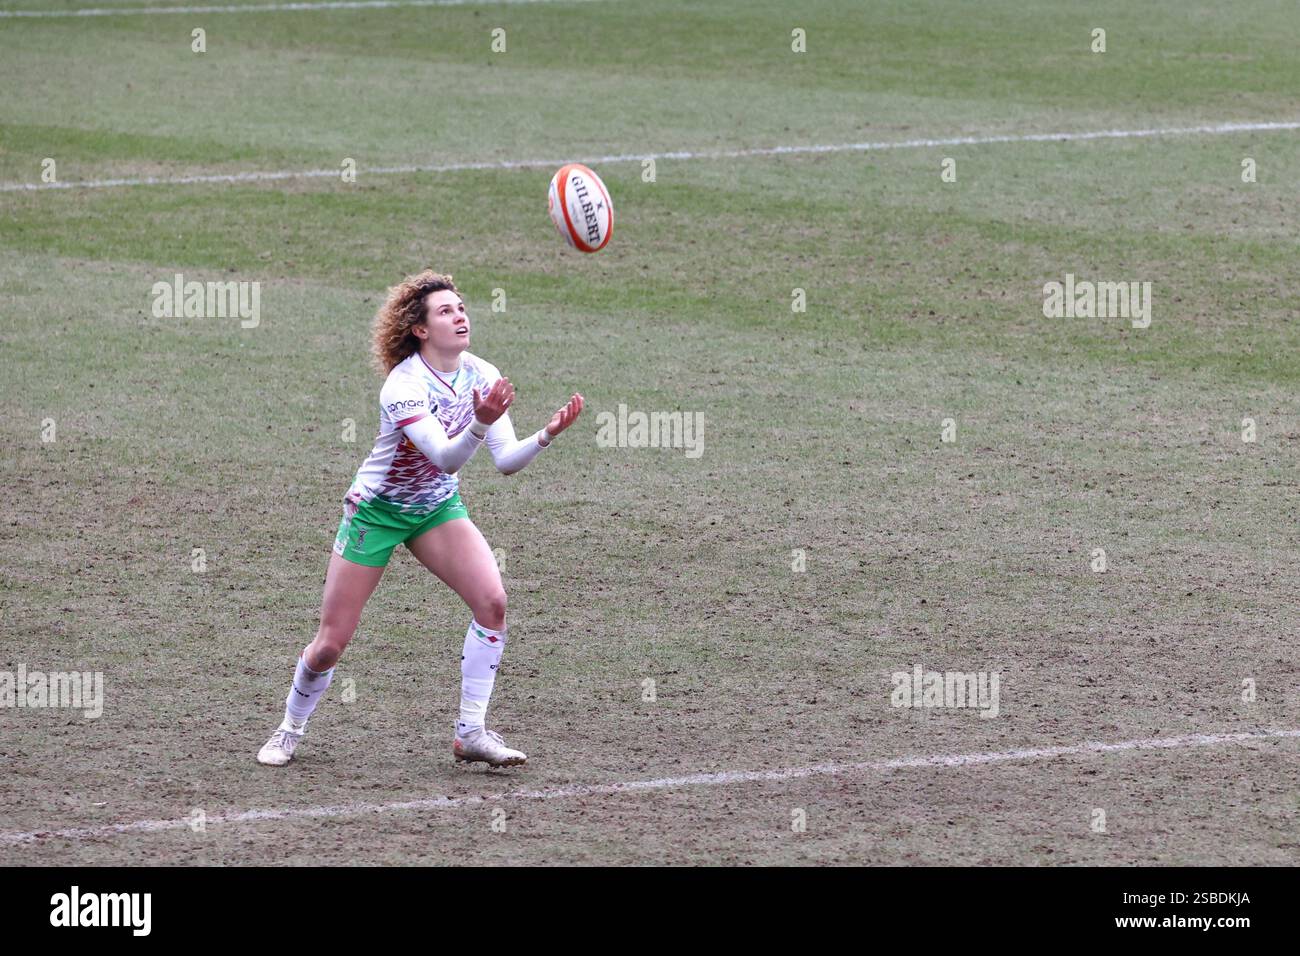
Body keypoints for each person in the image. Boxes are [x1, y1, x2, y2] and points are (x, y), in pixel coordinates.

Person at [257, 270, 583, 768]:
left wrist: (545, 435)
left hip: (435, 508)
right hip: (378, 511)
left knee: (492, 603)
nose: (460, 316)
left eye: (462, 308)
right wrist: (481, 422)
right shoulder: (403, 385)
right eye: (446, 311)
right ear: (421, 329)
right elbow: (445, 456)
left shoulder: (482, 373)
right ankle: (289, 728)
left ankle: (471, 733)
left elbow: (505, 461)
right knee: (329, 646)